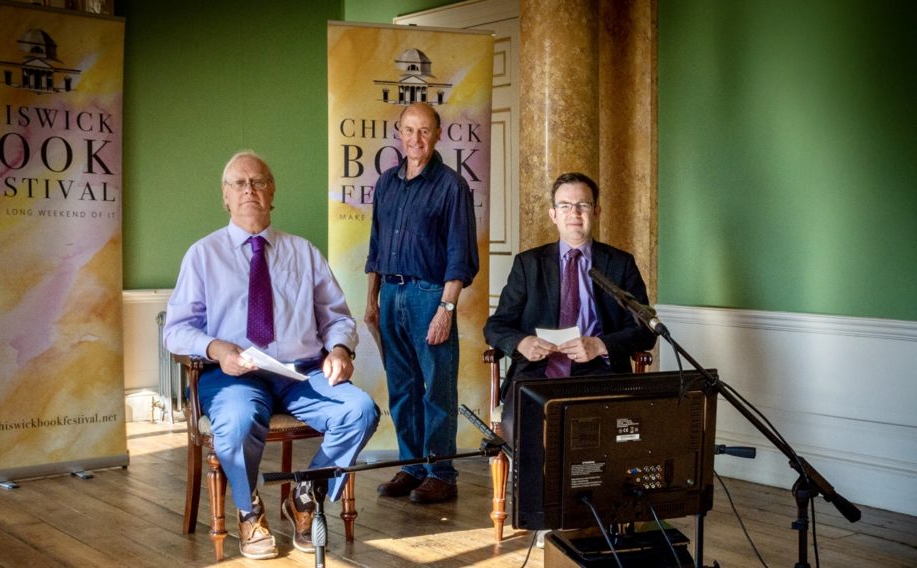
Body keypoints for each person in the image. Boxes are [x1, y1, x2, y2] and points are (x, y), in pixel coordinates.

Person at [164, 151, 379, 560]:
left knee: (360, 410)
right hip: (233, 374)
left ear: (272, 191)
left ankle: (305, 495)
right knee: (239, 419)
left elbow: (337, 317)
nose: (249, 190)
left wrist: (339, 348)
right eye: (239, 184)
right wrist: (216, 348)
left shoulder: (303, 252)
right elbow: (176, 330)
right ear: (225, 197)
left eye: (258, 182)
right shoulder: (202, 255)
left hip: (301, 373)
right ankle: (249, 511)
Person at [364, 102, 479, 504]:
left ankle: (441, 473)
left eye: (424, 131)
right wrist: (371, 300)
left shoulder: (451, 186)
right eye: (409, 131)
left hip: (430, 295)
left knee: (437, 389)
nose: (415, 139)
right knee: (402, 388)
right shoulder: (386, 184)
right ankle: (411, 467)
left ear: (437, 135)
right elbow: (376, 247)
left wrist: (446, 309)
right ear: (399, 133)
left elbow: (460, 255)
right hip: (390, 293)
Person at [483, 171, 657, 436]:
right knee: (523, 430)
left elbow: (646, 330)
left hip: (600, 371)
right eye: (565, 205)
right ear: (554, 214)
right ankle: (534, 479)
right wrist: (521, 343)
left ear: (596, 211)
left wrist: (600, 345)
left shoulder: (620, 264)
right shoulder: (529, 264)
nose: (574, 213)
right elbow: (495, 327)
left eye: (582, 205)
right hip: (538, 371)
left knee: (598, 444)